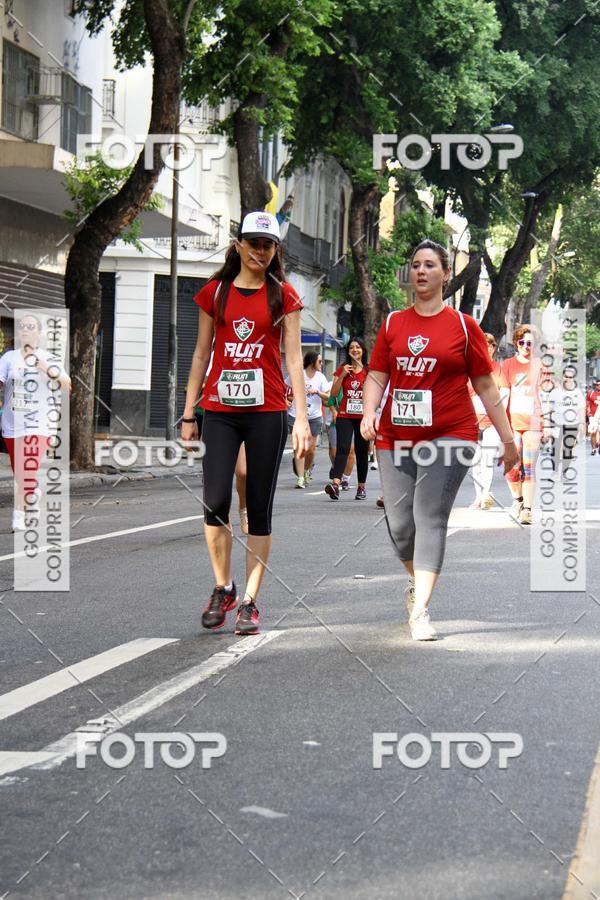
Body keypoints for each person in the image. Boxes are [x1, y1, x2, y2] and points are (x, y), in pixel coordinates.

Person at [361, 239, 518, 641]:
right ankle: (418, 584)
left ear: (446, 274)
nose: (422, 271)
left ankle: (421, 611)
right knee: (400, 528)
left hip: (451, 434)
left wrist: (507, 439)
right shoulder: (394, 323)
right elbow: (378, 374)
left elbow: (484, 385)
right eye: (416, 265)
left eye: (430, 265)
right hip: (395, 437)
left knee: (429, 515)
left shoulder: (463, 327)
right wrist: (368, 412)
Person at [181, 211, 311, 635]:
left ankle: (251, 602)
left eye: (267, 244)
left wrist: (302, 420)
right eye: (252, 242)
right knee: (215, 501)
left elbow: (294, 358)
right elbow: (202, 354)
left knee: (258, 507)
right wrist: (188, 413)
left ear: (275, 251)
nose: (259, 250)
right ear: (237, 245)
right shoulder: (214, 294)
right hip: (219, 410)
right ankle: (224, 586)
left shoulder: (283, 296)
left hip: (267, 412)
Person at [0, 314, 71, 531]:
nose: (25, 330)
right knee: (19, 470)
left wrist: (41, 365)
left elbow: (66, 384)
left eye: (30, 327)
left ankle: (19, 515)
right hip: (12, 423)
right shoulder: (9, 358)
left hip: (40, 423)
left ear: (39, 333)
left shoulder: (48, 357)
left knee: (26, 469)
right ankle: (33, 492)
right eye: (22, 327)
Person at [501, 325, 549, 525]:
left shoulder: (540, 365)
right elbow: (504, 394)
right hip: (512, 423)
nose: (526, 346)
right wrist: (500, 424)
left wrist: (548, 423)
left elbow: (546, 395)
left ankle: (528, 509)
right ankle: (518, 501)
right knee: (511, 467)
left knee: (528, 468)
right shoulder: (508, 365)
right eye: (522, 343)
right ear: (516, 343)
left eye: (530, 343)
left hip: (533, 423)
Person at [325, 337, 370, 500]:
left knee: (361, 450)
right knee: (342, 448)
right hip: (345, 414)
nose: (355, 350)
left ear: (363, 350)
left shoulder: (369, 370)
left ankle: (361, 487)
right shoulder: (342, 369)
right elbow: (334, 394)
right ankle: (336, 484)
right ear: (348, 351)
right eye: (352, 347)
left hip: (363, 416)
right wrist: (343, 375)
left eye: (358, 347)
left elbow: (373, 394)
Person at [467, 332, 509, 509]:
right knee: (475, 461)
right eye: (483, 345)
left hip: (491, 422)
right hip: (472, 422)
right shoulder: (469, 368)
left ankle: (485, 494)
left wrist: (498, 415)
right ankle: (479, 496)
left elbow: (505, 393)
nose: (487, 348)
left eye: (490, 345)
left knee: (487, 459)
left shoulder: (498, 369)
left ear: (493, 348)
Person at [286, 351, 329, 488]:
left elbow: (328, 397)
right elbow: (285, 388)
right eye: (320, 361)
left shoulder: (321, 377)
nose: (321, 364)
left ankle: (305, 470)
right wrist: (286, 399)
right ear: (312, 362)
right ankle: (299, 478)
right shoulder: (299, 374)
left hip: (314, 416)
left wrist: (317, 392)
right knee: (299, 446)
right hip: (297, 414)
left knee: (311, 449)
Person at [586, 378, 600, 455]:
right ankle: (593, 449)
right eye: (597, 385)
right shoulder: (590, 393)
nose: (598, 386)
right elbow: (587, 403)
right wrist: (588, 411)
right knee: (593, 432)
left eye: (599, 385)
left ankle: (598, 443)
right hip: (593, 415)